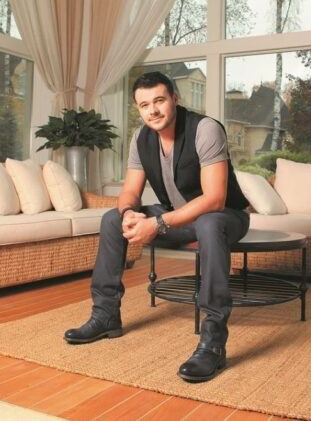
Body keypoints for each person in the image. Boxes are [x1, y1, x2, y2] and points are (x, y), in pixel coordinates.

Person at [64, 71, 250, 383]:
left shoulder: (205, 129)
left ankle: (213, 341)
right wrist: (128, 213)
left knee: (209, 223)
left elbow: (215, 199)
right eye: (144, 105)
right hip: (178, 216)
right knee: (112, 218)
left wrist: (158, 223)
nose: (153, 110)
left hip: (225, 217)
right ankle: (106, 315)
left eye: (159, 101)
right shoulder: (141, 138)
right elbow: (130, 191)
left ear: (175, 98)